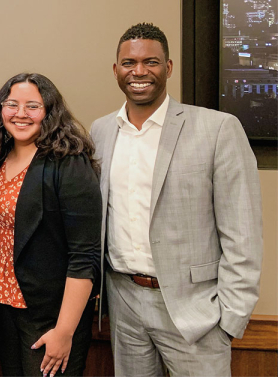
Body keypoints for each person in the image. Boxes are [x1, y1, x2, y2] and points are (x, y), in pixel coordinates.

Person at [90, 23, 263, 376]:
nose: (139, 72)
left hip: (196, 312)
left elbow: (243, 232)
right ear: (116, 70)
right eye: (129, 63)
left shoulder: (217, 129)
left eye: (150, 62)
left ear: (168, 68)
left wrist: (230, 319)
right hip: (124, 303)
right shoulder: (101, 131)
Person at [0, 73, 101, 377]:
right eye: (12, 105)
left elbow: (84, 256)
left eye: (33, 106)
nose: (20, 114)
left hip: (50, 315)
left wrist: (64, 331)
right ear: (1, 109)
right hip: (2, 308)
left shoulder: (69, 163)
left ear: (50, 112)